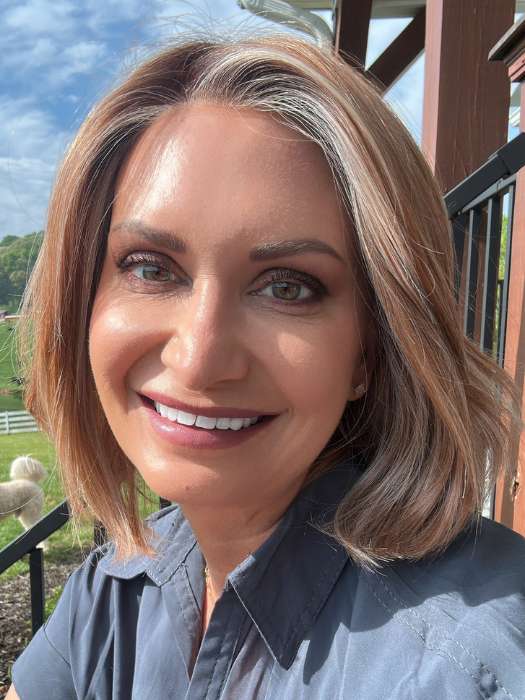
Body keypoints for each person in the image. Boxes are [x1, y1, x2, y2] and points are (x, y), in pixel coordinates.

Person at [6, 31, 525, 700]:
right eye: (151, 268)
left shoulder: (471, 667)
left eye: (287, 286)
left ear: (370, 350)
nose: (198, 358)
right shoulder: (109, 595)